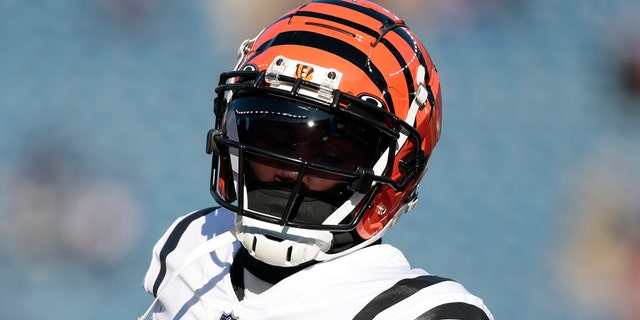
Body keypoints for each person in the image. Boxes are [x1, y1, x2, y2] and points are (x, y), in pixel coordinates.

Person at [140, 1, 494, 319]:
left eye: (329, 154)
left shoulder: (423, 312)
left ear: (399, 167)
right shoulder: (192, 246)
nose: (290, 170)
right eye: (273, 140)